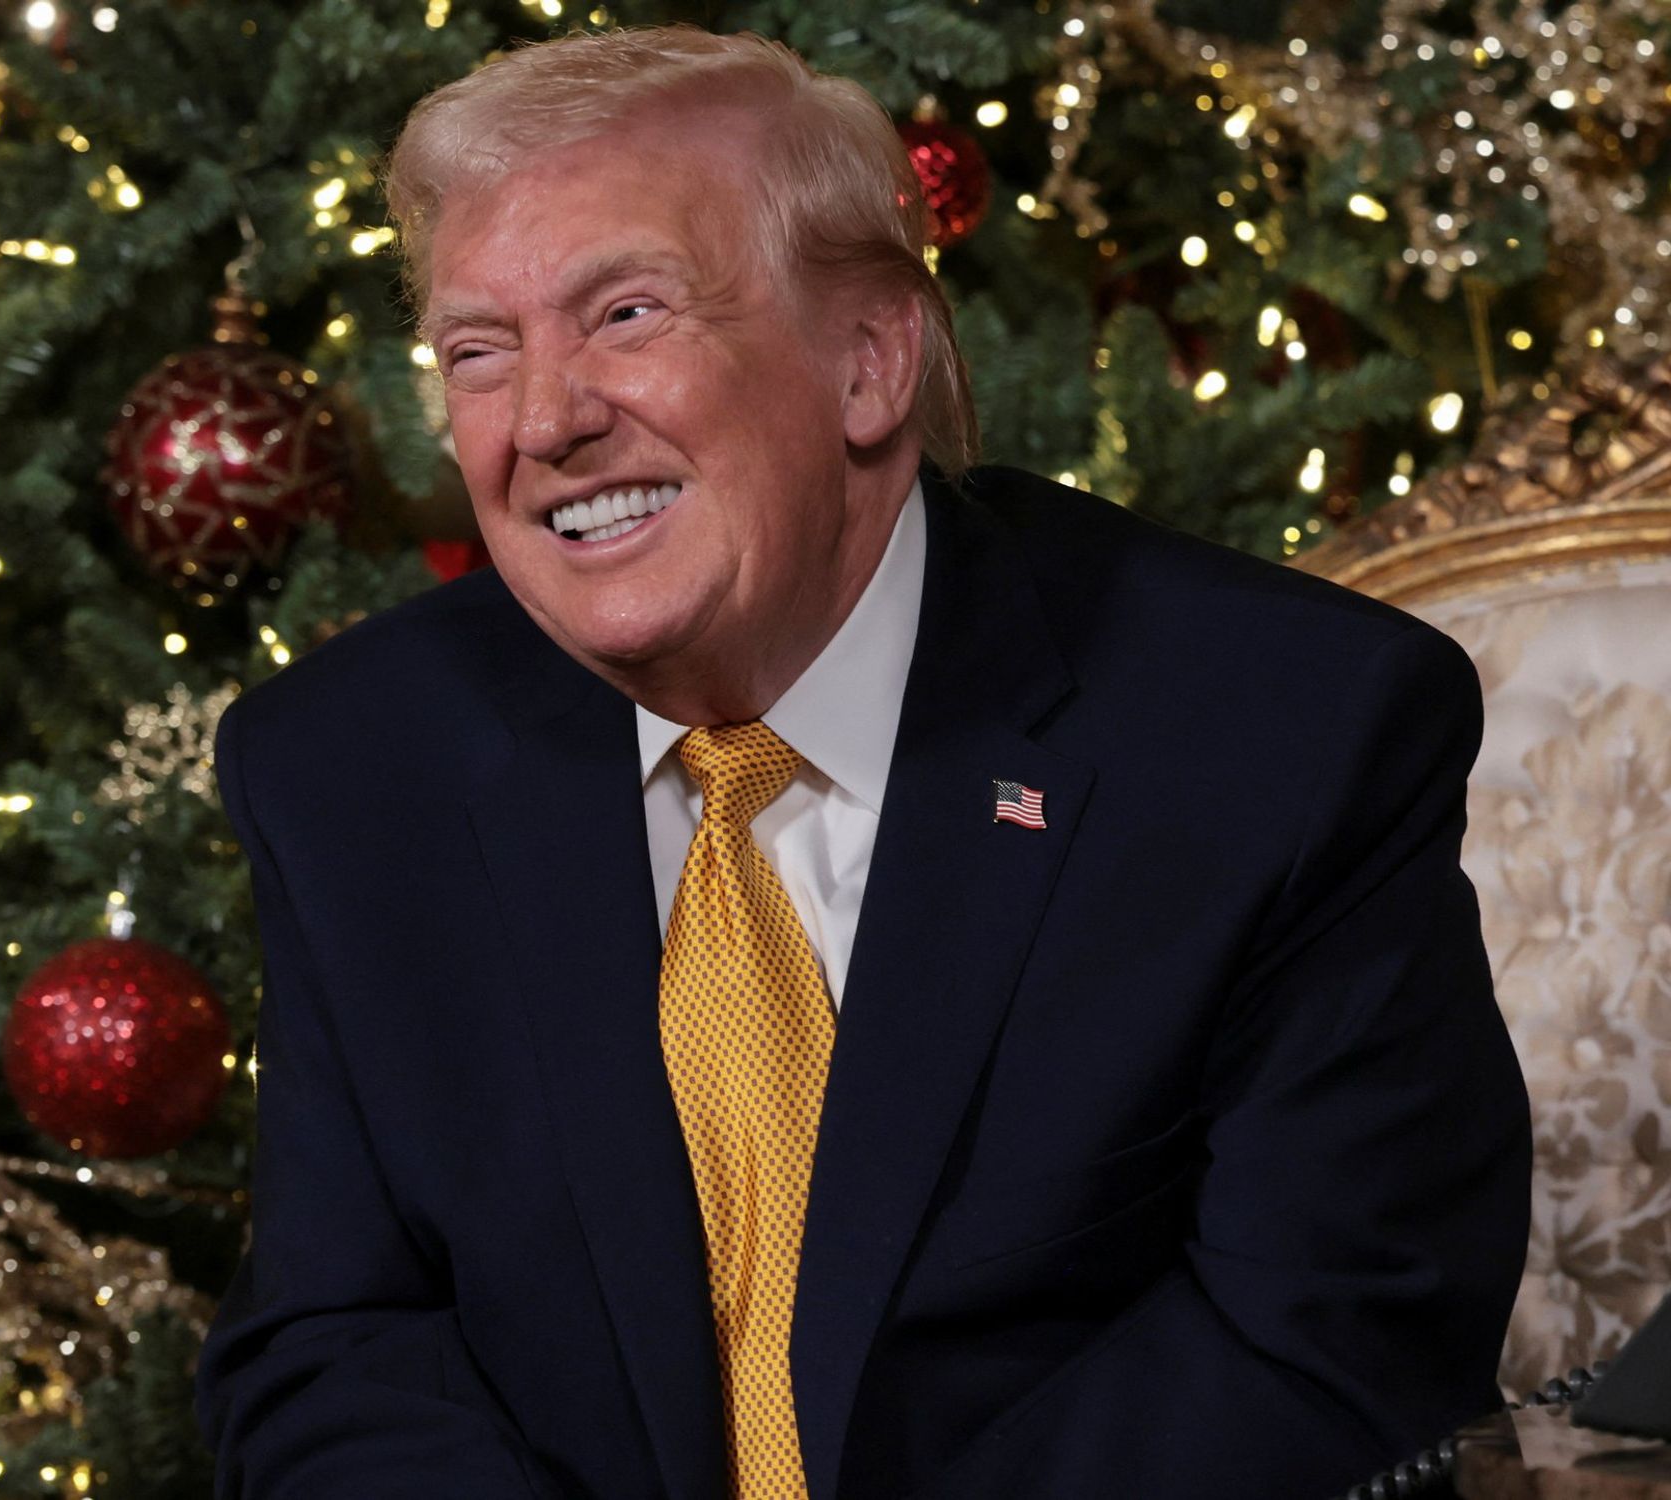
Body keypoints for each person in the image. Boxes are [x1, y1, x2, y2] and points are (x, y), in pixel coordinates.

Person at [194, 26, 1531, 1500]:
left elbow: (1330, 1345)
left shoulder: (1281, 734)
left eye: (627, 314)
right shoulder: (347, 772)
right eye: (477, 354)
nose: (547, 420)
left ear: (869, 360)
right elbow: (336, 1343)